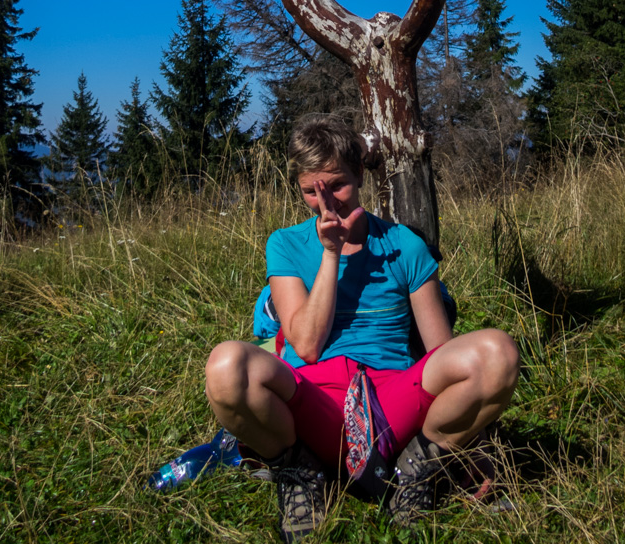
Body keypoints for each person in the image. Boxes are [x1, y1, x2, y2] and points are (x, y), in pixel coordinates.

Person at [205, 115, 520, 541]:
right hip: (314, 399)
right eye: (309, 191)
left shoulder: (403, 244)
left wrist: (475, 439)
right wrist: (330, 253)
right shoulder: (286, 244)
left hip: (392, 401)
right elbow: (307, 346)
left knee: (497, 354)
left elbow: (442, 352)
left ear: (359, 177)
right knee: (226, 365)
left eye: (337, 185)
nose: (326, 203)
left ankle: (418, 468)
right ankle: (300, 472)